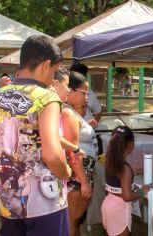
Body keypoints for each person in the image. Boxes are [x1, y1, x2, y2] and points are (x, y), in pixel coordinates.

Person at [0, 35, 72, 236]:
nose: (53, 79)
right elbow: (52, 154)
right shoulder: (46, 97)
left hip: (9, 201)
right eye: (53, 72)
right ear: (46, 64)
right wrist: (66, 171)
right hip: (45, 203)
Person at [61, 71, 97, 236]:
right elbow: (72, 152)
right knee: (72, 220)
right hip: (79, 173)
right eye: (84, 93)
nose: (86, 97)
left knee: (74, 220)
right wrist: (83, 181)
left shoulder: (70, 111)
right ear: (72, 91)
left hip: (80, 172)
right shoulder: (67, 113)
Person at [101, 126, 150, 236]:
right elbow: (126, 196)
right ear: (131, 145)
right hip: (120, 209)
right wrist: (143, 191)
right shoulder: (125, 168)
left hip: (107, 205)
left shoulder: (109, 161)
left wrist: (130, 176)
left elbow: (116, 181)